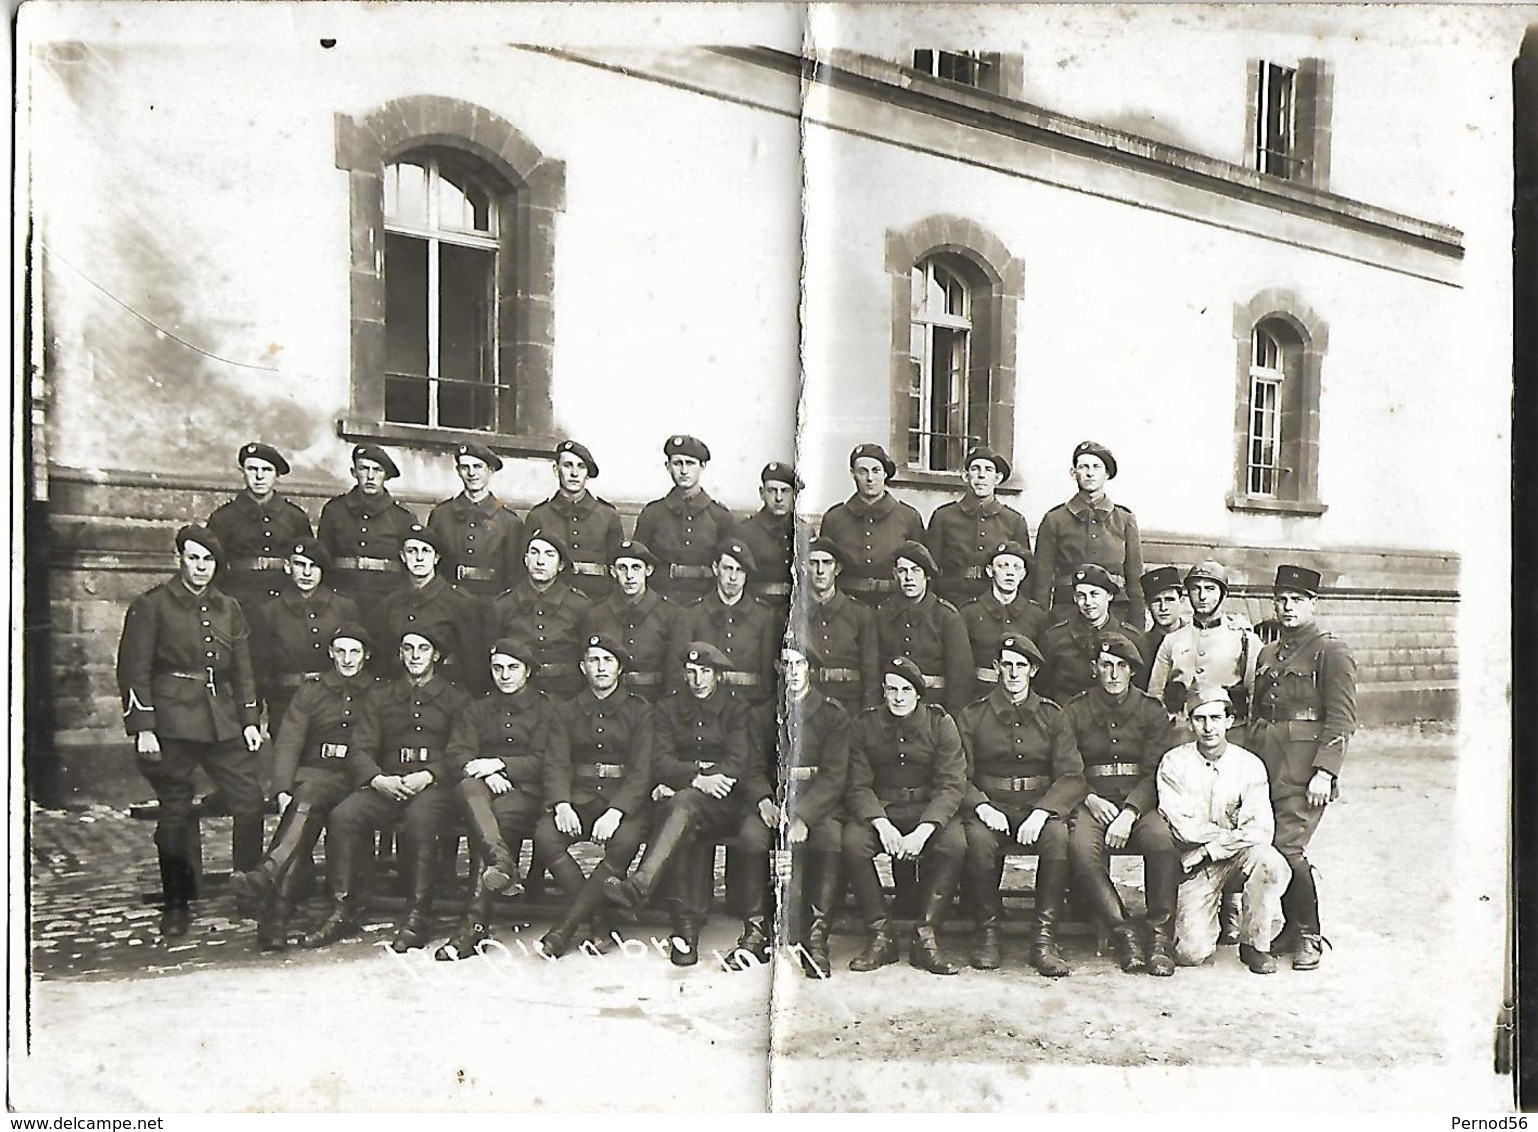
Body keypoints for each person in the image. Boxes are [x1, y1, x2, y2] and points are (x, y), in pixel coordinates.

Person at [116, 525, 265, 937]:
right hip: (172, 722)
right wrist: (144, 727)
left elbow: (243, 670)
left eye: (208, 560)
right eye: (194, 558)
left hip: (222, 722)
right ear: (179, 558)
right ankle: (177, 903)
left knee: (250, 801)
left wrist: (250, 721)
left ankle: (248, 888)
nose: (201, 567)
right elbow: (133, 669)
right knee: (176, 812)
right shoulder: (153, 605)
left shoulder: (228, 606)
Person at [298, 628, 472, 952]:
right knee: (344, 816)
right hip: (388, 783)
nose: (415, 655)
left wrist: (429, 775)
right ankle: (343, 909)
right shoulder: (381, 697)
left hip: (433, 787)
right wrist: (377, 779)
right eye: (408, 648)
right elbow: (360, 749)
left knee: (422, 819)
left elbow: (459, 751)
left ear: (436, 655)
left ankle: (418, 915)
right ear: (400, 655)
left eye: (423, 648)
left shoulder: (456, 699)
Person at [604, 643, 752, 967]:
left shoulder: (736, 709)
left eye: (704, 672)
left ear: (717, 675)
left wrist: (701, 781)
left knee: (681, 807)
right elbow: (660, 760)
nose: (697, 679)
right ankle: (685, 931)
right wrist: (696, 778)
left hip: (725, 802)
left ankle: (645, 889)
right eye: (691, 671)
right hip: (684, 802)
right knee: (684, 819)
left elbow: (738, 761)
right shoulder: (668, 708)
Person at [231, 622, 375, 951]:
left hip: (358, 778)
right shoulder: (311, 691)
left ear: (366, 655)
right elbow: (289, 741)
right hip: (318, 773)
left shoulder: (378, 692)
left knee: (307, 800)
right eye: (341, 651)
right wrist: (282, 787)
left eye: (355, 652)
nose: (348, 659)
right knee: (305, 798)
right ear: (330, 653)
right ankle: (275, 911)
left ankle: (272, 894)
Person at [1248, 564, 1358, 971]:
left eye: (1296, 600)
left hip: (1305, 769)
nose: (1287, 607)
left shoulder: (1331, 651)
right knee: (1273, 844)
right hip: (1266, 766)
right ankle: (1294, 928)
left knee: (1288, 848)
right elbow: (1258, 709)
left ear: (1313, 603)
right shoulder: (1268, 652)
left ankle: (1310, 934)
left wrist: (1326, 771)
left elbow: (1342, 718)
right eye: (1281, 600)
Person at [955, 635, 1085, 976]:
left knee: (1058, 839)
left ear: (1033, 671)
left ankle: (1043, 938)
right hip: (991, 804)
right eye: (1007, 665)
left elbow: (1072, 776)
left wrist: (1042, 812)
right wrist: (981, 806)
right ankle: (988, 930)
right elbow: (957, 775)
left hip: (1037, 805)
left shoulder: (1053, 716)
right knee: (979, 842)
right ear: (997, 668)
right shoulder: (973, 715)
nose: (1013, 673)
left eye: (1021, 666)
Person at [1062, 632, 1180, 976]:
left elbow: (1157, 769)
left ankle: (1159, 937)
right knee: (1080, 847)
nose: (1113, 674)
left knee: (1162, 841)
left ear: (1132, 671)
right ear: (1095, 669)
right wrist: (1088, 797)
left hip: (1139, 801)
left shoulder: (1151, 711)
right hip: (1092, 799)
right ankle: (1122, 930)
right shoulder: (1076, 710)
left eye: (1121, 666)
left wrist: (1130, 812)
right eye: (1106, 665)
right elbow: (1067, 765)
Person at [842, 657, 968, 976]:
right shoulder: (865, 724)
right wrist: (880, 823)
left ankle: (925, 936)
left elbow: (951, 784)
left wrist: (923, 831)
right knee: (854, 842)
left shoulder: (941, 724)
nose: (898, 697)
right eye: (892, 689)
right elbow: (857, 784)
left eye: (906, 690)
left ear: (918, 694)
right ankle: (881, 935)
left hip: (927, 810)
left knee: (954, 844)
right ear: (883, 692)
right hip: (884, 809)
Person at [1157, 686, 1290, 974]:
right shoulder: (1174, 763)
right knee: (1190, 953)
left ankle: (1255, 945)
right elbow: (1183, 828)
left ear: (1229, 721)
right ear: (1189, 722)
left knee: (1270, 861)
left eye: (1216, 718)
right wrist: (1232, 835)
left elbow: (1260, 831)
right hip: (1196, 866)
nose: (1208, 727)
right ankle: (1219, 910)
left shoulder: (1249, 765)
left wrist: (1210, 849)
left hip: (1222, 856)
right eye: (1200, 719)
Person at [535, 636, 655, 958]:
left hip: (621, 801)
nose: (600, 668)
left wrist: (617, 811)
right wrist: (562, 804)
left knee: (625, 841)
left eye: (608, 661)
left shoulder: (639, 712)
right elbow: (556, 761)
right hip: (579, 795)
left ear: (619, 668)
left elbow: (641, 771)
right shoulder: (566, 710)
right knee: (546, 836)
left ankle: (565, 928)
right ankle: (600, 920)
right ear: (582, 666)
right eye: (594, 660)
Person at [434, 637, 551, 962]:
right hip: (484, 791)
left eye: (513, 668)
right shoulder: (478, 707)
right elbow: (457, 753)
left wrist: (500, 765)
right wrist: (487, 775)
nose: (505, 675)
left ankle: (472, 926)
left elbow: (545, 760)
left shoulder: (546, 709)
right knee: (468, 790)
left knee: (485, 820)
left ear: (527, 671)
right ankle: (501, 862)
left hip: (527, 794)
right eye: (498, 668)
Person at [741, 638, 849, 978]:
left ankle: (816, 940)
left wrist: (804, 815)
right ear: (777, 669)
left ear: (811, 670)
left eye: (799, 664)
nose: (792, 672)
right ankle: (755, 933)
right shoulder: (761, 714)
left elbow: (835, 776)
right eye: (785, 664)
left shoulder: (832, 714)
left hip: (816, 802)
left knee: (831, 836)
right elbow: (752, 767)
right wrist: (762, 800)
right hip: (774, 800)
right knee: (750, 836)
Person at [249, 537, 360, 741]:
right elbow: (260, 669)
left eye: (314, 566)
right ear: (287, 567)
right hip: (285, 702)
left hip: (333, 702)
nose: (307, 573)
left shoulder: (344, 607)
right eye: (300, 565)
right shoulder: (269, 612)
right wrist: (253, 717)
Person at [1032, 441, 1146, 627]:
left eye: (1096, 467)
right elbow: (1041, 581)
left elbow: (1135, 580)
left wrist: (1137, 627)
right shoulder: (1055, 519)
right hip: (1067, 610)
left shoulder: (1124, 519)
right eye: (1083, 467)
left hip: (1115, 611)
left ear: (1106, 473)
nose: (1090, 473)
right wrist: (1042, 626)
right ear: (1073, 472)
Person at [316, 443, 417, 643]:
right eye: (364, 469)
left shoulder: (402, 517)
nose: (370, 476)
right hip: (342, 597)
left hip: (385, 600)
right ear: (354, 472)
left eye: (377, 470)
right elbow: (323, 560)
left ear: (386, 476)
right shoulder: (335, 510)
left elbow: (410, 570)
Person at [1148, 560, 1261, 736]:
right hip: (1182, 732)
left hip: (1231, 733)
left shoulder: (1243, 639)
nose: (1202, 596)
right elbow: (1155, 696)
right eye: (1195, 589)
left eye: (1209, 589)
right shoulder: (1172, 640)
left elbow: (1256, 693)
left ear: (1223, 594)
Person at [206, 442, 314, 616]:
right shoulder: (223, 518)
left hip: (285, 604)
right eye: (252, 469)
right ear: (243, 472)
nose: (259, 476)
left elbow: (311, 561)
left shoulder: (295, 517)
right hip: (239, 604)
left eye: (267, 470)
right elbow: (214, 568)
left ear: (277, 475)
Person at [381, 524, 487, 693]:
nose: (419, 558)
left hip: (446, 697)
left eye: (426, 551)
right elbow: (385, 661)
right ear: (402, 556)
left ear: (436, 558)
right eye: (412, 551)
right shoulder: (391, 602)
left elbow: (473, 665)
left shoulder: (460, 602)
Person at [873, 541, 974, 717]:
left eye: (916, 570)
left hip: (933, 709)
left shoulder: (946, 616)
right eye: (903, 571)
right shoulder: (883, 613)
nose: (909, 577)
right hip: (891, 710)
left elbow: (961, 679)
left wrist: (950, 719)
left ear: (927, 575)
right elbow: (874, 669)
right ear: (895, 574)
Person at [818, 443, 925, 607]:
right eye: (862, 471)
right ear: (853, 474)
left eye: (876, 471)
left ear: (885, 474)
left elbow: (920, 570)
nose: (870, 478)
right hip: (846, 607)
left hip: (894, 607)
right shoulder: (834, 518)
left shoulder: (909, 517)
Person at [634, 435, 736, 603]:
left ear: (702, 467)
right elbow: (637, 561)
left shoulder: (720, 516)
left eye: (690, 463)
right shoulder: (652, 513)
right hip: (661, 602)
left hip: (706, 605)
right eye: (677, 463)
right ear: (668, 467)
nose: (683, 471)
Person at [492, 529, 593, 700]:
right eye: (534, 553)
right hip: (520, 698)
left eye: (549, 555)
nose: (540, 561)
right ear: (525, 560)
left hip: (568, 696)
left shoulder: (580, 605)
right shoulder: (503, 605)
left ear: (561, 565)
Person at [674, 539, 777, 706]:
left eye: (740, 570)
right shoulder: (692, 613)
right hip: (702, 707)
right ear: (715, 569)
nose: (733, 577)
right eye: (728, 568)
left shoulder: (764, 615)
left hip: (750, 706)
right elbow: (677, 674)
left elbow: (768, 679)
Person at [925, 446, 1031, 605]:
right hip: (951, 600)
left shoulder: (1014, 521)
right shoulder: (943, 516)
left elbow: (1024, 572)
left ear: (998, 478)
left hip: (994, 602)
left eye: (988, 470)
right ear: (965, 476)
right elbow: (930, 568)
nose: (981, 476)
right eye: (975, 469)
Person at [525, 439, 623, 601]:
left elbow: (618, 569)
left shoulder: (608, 515)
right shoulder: (539, 516)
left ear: (588, 474)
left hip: (598, 603)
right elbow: (526, 570)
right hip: (552, 605)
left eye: (581, 467)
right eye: (568, 465)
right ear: (556, 469)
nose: (574, 474)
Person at [1038, 564, 1148, 707]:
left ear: (1109, 595)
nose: (1088, 602)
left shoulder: (1132, 639)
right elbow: (1042, 688)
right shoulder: (1054, 638)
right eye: (1081, 596)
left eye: (1094, 594)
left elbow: (1141, 691)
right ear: (1075, 598)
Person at [790, 536, 879, 711]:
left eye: (827, 563)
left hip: (850, 708)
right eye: (813, 563)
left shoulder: (859, 613)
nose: (820, 570)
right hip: (806, 708)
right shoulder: (792, 613)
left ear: (837, 568)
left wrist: (868, 716)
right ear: (803, 567)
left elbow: (871, 673)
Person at [586, 539, 681, 702]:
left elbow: (675, 672)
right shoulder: (596, 614)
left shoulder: (671, 614)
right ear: (613, 572)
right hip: (609, 703)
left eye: (636, 567)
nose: (629, 576)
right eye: (622, 568)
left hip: (654, 701)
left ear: (648, 570)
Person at [426, 442, 525, 597]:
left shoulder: (510, 522)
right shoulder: (441, 515)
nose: (471, 473)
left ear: (490, 471)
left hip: (491, 604)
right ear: (458, 471)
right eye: (465, 467)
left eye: (478, 467)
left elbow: (514, 577)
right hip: (447, 603)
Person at [957, 539, 1049, 698]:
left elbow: (1043, 672)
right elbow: (961, 669)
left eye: (1016, 567)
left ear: (1023, 574)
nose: (1010, 572)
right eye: (1003, 566)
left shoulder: (1037, 615)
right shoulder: (969, 613)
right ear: (990, 570)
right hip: (980, 697)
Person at [735, 462, 813, 613]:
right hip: (755, 610)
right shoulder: (745, 531)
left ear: (795, 495)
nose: (778, 498)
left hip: (795, 611)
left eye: (785, 491)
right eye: (772, 491)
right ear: (761, 493)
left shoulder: (805, 531)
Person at [1139, 566, 1189, 712]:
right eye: (1156, 601)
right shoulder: (1140, 645)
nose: (1163, 607)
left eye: (1169, 599)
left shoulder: (1196, 636)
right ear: (1147, 605)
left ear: (1182, 600)